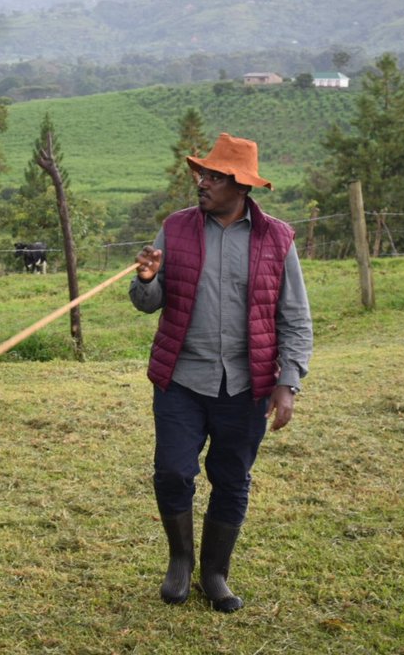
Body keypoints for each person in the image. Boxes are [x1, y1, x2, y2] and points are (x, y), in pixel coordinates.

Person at [129, 132, 313, 613]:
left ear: (241, 186)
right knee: (172, 471)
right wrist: (145, 280)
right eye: (202, 174)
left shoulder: (277, 238)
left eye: (213, 176)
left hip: (247, 384)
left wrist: (287, 381)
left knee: (231, 478)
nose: (201, 182)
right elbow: (148, 303)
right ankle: (180, 563)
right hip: (181, 378)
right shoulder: (176, 227)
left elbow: (295, 315)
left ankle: (215, 573)